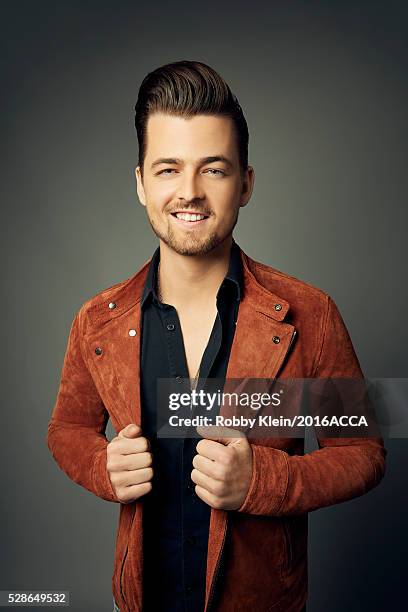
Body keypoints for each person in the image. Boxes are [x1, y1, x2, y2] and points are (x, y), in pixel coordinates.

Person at [47, 60, 386, 612]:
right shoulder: (97, 321)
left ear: (246, 184)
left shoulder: (309, 313)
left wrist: (263, 483)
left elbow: (364, 452)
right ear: (139, 183)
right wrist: (99, 465)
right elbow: (66, 429)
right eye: (167, 169)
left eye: (214, 169)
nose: (190, 192)